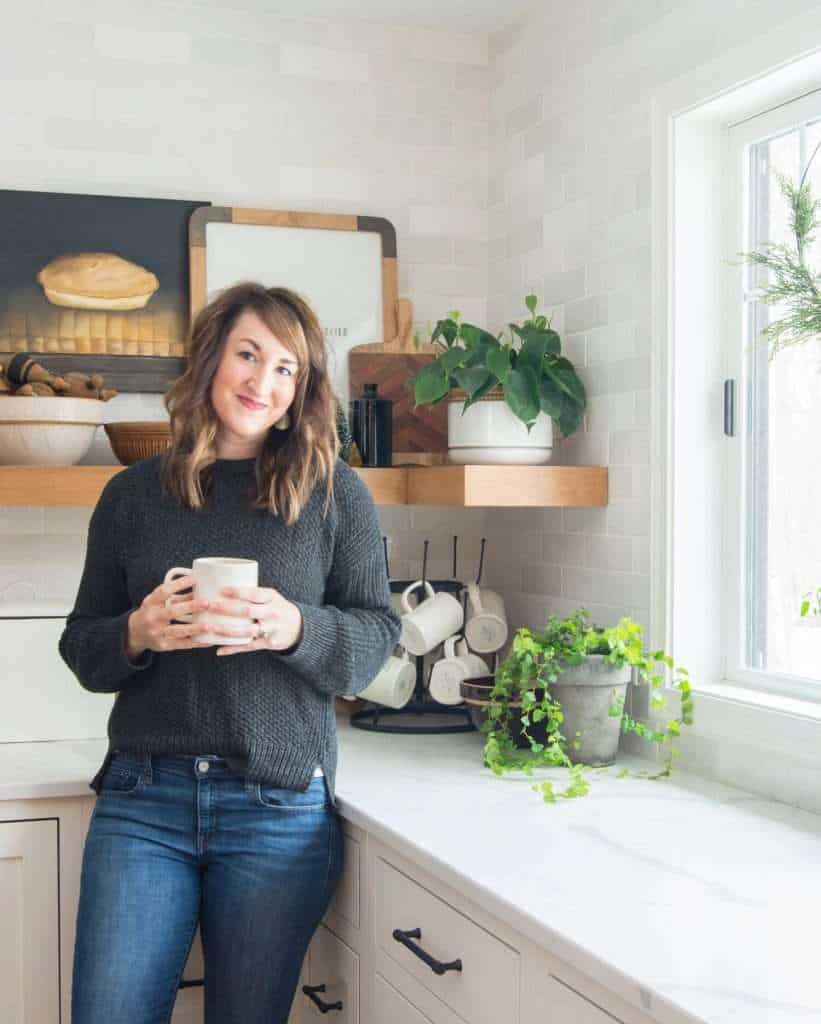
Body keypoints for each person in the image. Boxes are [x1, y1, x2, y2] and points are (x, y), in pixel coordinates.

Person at [59, 281, 401, 1024]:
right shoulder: (131, 496)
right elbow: (82, 645)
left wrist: (295, 629)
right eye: (248, 355)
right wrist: (136, 634)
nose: (263, 382)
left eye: (287, 368)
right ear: (212, 358)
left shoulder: (334, 493)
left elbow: (375, 637)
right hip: (143, 799)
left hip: (277, 806)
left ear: (303, 387)